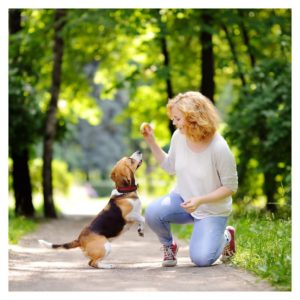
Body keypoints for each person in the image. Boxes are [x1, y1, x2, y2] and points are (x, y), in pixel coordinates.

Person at [140, 91, 238, 267]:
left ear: (193, 118)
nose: (174, 122)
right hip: (183, 201)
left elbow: (230, 187)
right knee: (153, 213)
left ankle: (226, 237)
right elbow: (170, 166)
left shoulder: (219, 147)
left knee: (201, 259)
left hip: (211, 209)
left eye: (177, 119)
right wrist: (151, 141)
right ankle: (169, 246)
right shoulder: (179, 136)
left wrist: (200, 200)